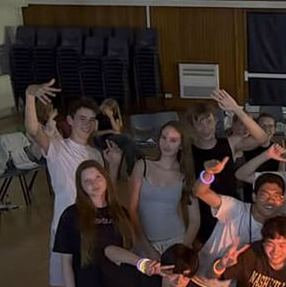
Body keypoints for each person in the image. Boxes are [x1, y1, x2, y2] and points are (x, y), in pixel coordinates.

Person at [25, 80, 121, 287]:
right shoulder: (57, 147)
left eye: (92, 120)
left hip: (94, 237)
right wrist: (30, 95)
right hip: (65, 236)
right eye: (82, 119)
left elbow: (106, 195)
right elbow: (33, 129)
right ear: (70, 120)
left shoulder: (95, 153)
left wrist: (114, 167)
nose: (87, 124)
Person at [190, 159, 285, 287]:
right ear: (254, 196)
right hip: (198, 280)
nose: (270, 201)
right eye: (265, 195)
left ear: (282, 201)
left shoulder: (278, 229)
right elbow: (200, 192)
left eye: (276, 196)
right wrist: (208, 174)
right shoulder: (235, 208)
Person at [186, 89, 270, 242]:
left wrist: (237, 109)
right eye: (199, 124)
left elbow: (262, 138)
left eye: (209, 121)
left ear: (215, 121)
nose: (205, 128)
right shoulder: (188, 151)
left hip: (231, 208)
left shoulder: (229, 143)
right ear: (193, 126)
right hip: (203, 211)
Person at [128, 121, 200, 255]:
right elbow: (132, 209)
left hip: (175, 240)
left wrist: (182, 250)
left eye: (173, 140)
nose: (167, 144)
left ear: (181, 145)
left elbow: (195, 220)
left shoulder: (185, 175)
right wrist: (146, 246)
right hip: (145, 242)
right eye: (164, 137)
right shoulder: (142, 166)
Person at [95, 98, 138, 178]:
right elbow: (95, 133)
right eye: (106, 108)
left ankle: (130, 172)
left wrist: (111, 117)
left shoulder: (115, 117)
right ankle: (141, 156)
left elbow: (117, 131)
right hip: (103, 139)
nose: (107, 111)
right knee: (127, 137)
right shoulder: (98, 116)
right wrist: (109, 131)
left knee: (128, 147)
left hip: (116, 139)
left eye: (109, 109)